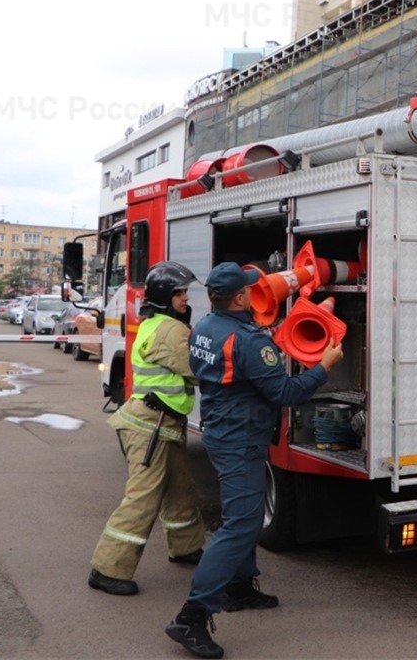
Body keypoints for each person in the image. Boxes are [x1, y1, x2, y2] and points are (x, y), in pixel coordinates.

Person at [165, 262, 343, 659]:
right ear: (241, 297)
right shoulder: (247, 340)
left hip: (223, 432)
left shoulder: (206, 328)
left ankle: (239, 588)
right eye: (252, 288)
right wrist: (323, 367)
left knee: (240, 517)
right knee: (240, 525)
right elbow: (287, 393)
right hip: (241, 439)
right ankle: (192, 616)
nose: (259, 290)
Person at [88, 261, 206, 596]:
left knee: (180, 490)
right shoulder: (170, 330)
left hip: (162, 424)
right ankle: (107, 568)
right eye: (180, 292)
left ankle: (185, 547)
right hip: (150, 427)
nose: (185, 298)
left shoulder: (156, 323)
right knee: (143, 497)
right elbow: (197, 371)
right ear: (165, 296)